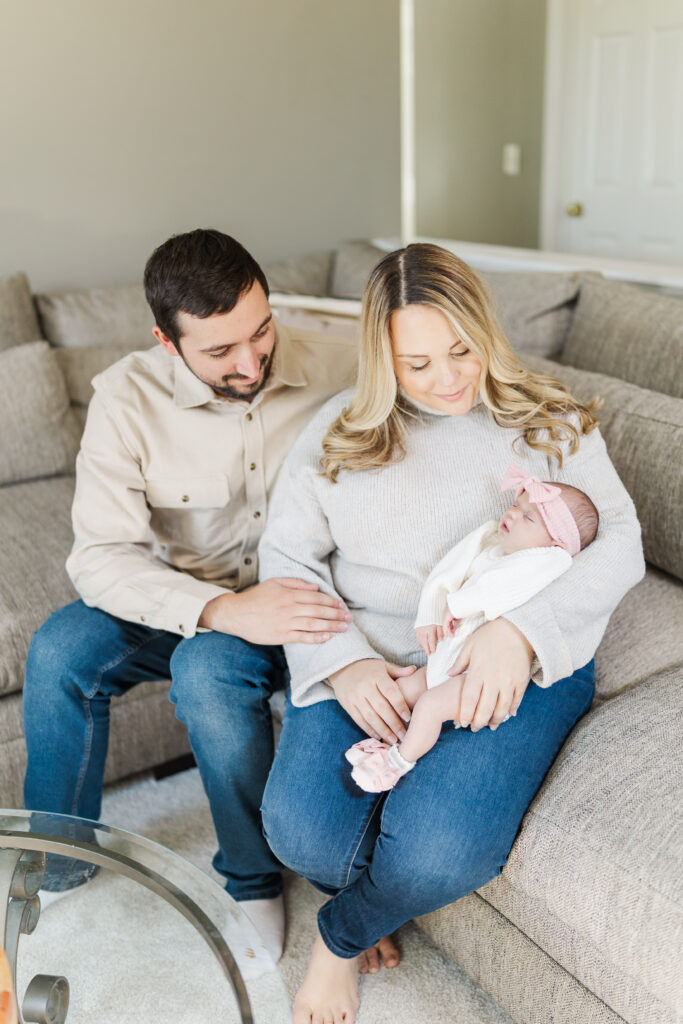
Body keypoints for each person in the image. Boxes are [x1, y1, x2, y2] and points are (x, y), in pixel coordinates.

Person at [257, 243, 644, 1024]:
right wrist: (344, 667)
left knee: (440, 851)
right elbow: (287, 558)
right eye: (418, 362)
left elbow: (621, 540)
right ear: (380, 357)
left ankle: (339, 940)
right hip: (372, 656)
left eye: (462, 349)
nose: (447, 378)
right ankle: (369, 899)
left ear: (485, 331)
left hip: (506, 659)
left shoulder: (549, 420)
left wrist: (521, 631)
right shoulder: (336, 434)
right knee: (301, 837)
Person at [21, 228, 359, 965]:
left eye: (260, 331)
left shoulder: (346, 362)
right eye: (219, 351)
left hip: (310, 604)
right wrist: (218, 611)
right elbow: (100, 555)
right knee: (59, 650)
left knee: (209, 672)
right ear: (165, 342)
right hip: (195, 603)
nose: (249, 362)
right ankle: (58, 860)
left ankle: (252, 882)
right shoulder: (124, 398)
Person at [346, 466, 599, 791]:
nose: (513, 514)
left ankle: (396, 763)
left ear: (556, 542)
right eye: (517, 505)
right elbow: (446, 573)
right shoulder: (491, 543)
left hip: (480, 675)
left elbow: (502, 589)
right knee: (404, 692)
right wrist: (432, 613)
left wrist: (458, 605)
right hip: (447, 659)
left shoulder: (550, 561)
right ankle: (381, 744)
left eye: (530, 518)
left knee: (429, 706)